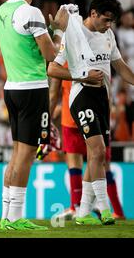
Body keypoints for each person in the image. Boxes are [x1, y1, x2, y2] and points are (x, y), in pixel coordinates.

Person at [0, 0, 69, 231]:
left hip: (12, 87)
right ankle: (15, 218)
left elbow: (28, 47)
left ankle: (6, 215)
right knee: (26, 155)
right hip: (32, 89)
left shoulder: (2, 10)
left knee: (15, 154)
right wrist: (58, 28)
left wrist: (47, 33)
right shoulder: (32, 12)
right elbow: (51, 57)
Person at [47, 0, 133, 226]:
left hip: (102, 99)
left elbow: (120, 66)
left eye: (111, 21)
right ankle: (104, 209)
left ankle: (83, 213)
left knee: (98, 156)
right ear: (93, 13)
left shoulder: (108, 35)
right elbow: (52, 70)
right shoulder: (73, 33)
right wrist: (81, 75)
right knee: (97, 150)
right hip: (81, 96)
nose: (108, 25)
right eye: (105, 20)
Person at [49, 76, 125, 221]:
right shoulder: (98, 55)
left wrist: (45, 122)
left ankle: (78, 207)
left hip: (73, 119)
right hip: (93, 117)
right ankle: (111, 210)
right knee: (100, 161)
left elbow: (53, 94)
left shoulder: (62, 58)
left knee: (78, 163)